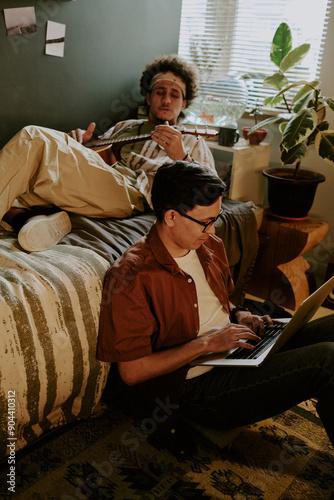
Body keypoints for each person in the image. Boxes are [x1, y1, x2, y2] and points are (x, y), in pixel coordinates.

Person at [97, 160, 334, 456]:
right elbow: (132, 372)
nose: (211, 229)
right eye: (205, 221)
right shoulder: (132, 277)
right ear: (171, 216)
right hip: (195, 386)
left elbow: (220, 302)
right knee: (327, 360)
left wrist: (240, 314)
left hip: (235, 350)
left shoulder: (208, 245)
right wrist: (207, 343)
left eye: (216, 218)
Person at [0, 54, 215, 252]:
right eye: (160, 92)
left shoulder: (191, 138)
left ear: (184, 103)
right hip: (104, 180)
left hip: (131, 191)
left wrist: (181, 157)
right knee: (21, 175)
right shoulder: (126, 126)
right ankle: (30, 221)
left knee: (34, 138)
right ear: (148, 98)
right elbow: (95, 160)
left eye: (174, 95)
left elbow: (210, 192)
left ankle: (27, 217)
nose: (166, 100)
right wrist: (81, 145)